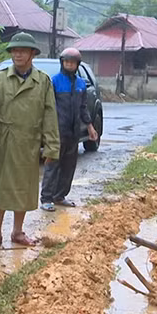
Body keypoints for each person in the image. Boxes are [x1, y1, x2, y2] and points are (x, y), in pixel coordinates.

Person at [0, 32, 60, 249]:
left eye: (23, 50)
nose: (18, 54)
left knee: (23, 188)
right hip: (4, 141)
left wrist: (51, 147)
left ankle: (18, 231)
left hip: (28, 143)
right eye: (14, 50)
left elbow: (50, 115)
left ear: (32, 53)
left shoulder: (43, 82)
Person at [40, 47, 98, 211]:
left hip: (74, 133)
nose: (69, 65)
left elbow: (83, 108)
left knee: (69, 166)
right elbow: (47, 107)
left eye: (72, 62)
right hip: (57, 131)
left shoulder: (81, 84)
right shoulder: (54, 81)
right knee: (52, 164)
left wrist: (90, 127)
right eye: (66, 61)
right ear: (62, 62)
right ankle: (46, 198)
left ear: (77, 64)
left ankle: (60, 196)